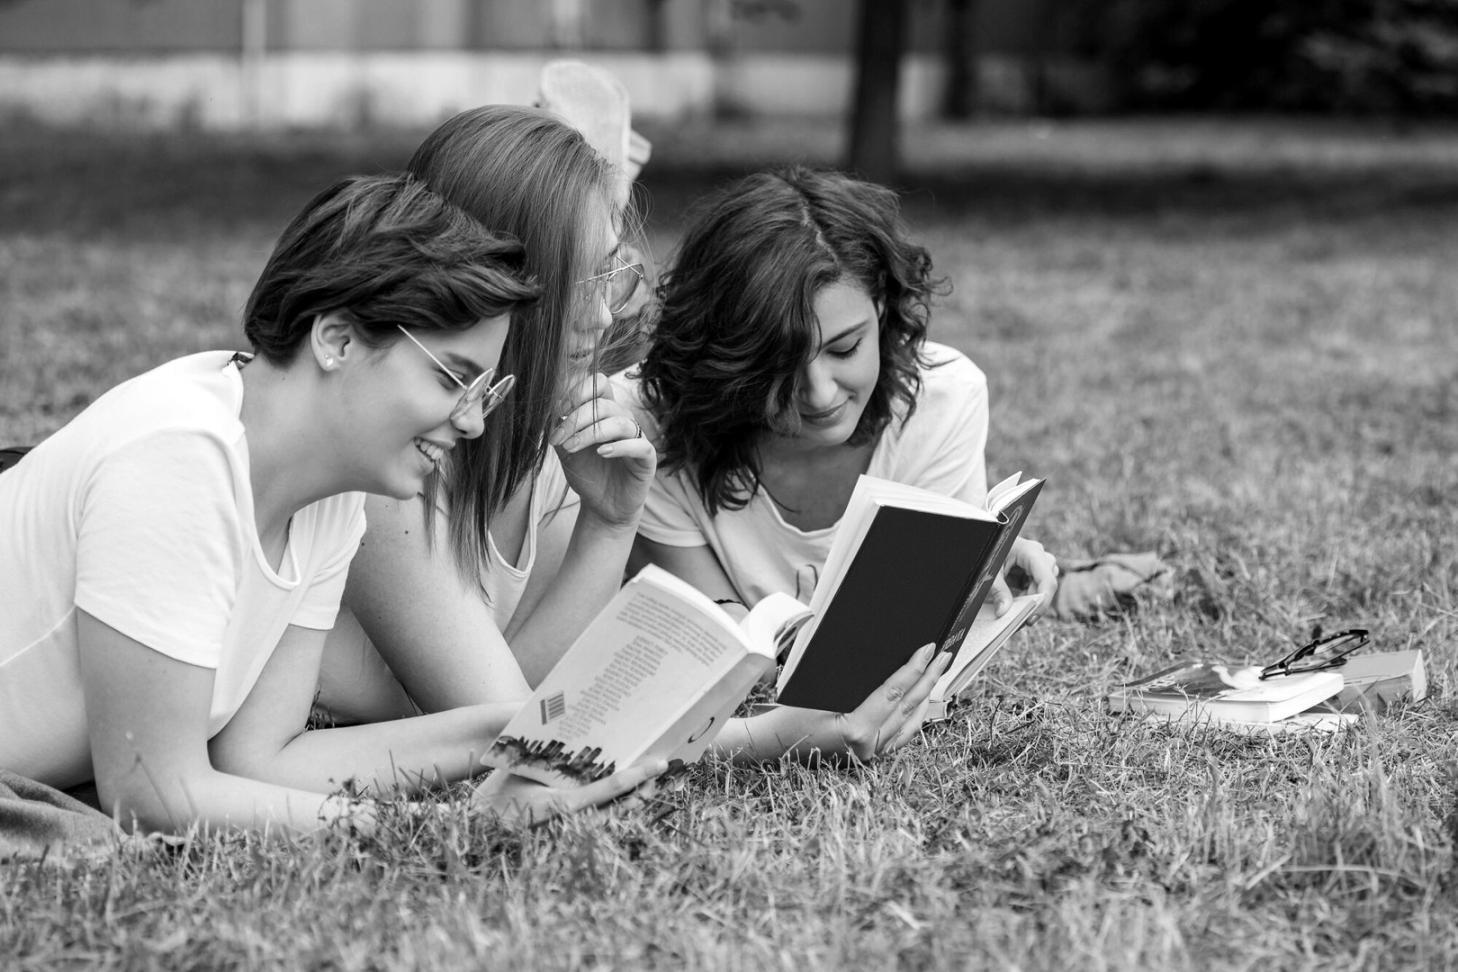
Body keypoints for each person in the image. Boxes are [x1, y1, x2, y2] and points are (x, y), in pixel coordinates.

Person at [0, 173, 664, 837]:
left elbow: (263, 758)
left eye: (483, 393)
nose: (472, 424)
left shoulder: (332, 495)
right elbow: (152, 791)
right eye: (453, 379)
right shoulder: (182, 453)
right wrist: (444, 830)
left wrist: (507, 734)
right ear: (337, 339)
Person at [316, 107, 951, 765]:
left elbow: (536, 692)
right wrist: (772, 737)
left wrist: (610, 524)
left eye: (608, 274)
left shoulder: (568, 437)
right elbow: (515, 740)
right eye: (575, 283)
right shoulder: (389, 468)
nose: (598, 313)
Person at [620, 166, 1060, 703]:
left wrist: (973, 578)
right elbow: (721, 639)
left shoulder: (944, 400)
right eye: (778, 364)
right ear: (724, 356)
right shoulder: (649, 419)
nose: (820, 394)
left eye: (845, 349)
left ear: (881, 306)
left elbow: (926, 638)